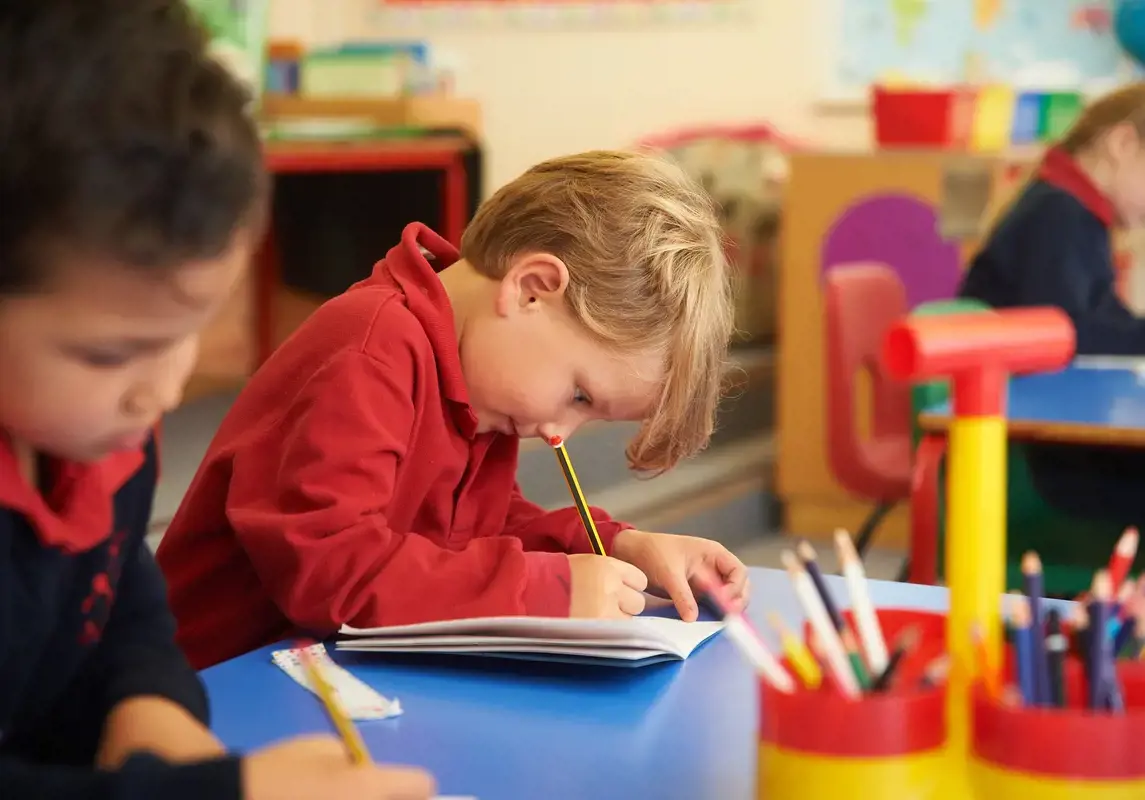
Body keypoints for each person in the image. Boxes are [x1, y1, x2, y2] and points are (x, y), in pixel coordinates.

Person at [0, 0, 435, 797]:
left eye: (188, 333)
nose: (161, 393)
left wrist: (149, 710)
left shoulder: (91, 431)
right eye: (109, 352)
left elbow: (119, 610)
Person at [156, 150, 749, 669]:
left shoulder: (479, 379)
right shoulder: (369, 351)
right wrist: (546, 588)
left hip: (324, 674)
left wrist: (616, 546)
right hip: (221, 690)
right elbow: (334, 572)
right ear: (531, 289)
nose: (556, 431)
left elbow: (469, 533)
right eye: (578, 396)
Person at [960, 83, 1145, 528]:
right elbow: (1066, 334)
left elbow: (1096, 320)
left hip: (1041, 446)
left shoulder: (1070, 209)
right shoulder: (1059, 216)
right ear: (1122, 144)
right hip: (1039, 466)